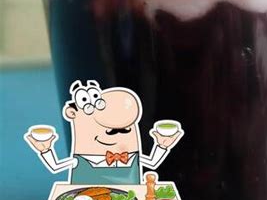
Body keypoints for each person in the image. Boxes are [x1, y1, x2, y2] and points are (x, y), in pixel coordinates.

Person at [25, 79, 182, 185]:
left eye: (124, 130)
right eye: (111, 130)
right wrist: (45, 149)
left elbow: (153, 163)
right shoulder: (80, 161)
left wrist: (162, 145)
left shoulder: (131, 158)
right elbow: (55, 166)